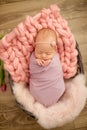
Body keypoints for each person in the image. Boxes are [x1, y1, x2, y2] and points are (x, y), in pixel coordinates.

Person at [29, 28, 65, 107]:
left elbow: (57, 67)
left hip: (55, 87)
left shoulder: (55, 57)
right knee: (34, 89)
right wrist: (36, 62)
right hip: (38, 88)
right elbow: (32, 68)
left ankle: (54, 98)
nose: (44, 56)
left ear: (55, 49)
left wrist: (51, 64)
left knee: (59, 88)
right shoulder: (33, 57)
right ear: (35, 47)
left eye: (48, 53)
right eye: (39, 52)